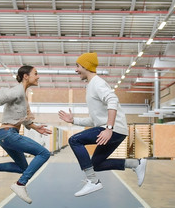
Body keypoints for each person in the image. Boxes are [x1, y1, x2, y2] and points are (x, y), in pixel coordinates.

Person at [58, 52, 147, 197]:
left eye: (78, 66)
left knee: (74, 140)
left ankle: (92, 181)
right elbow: (95, 121)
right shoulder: (91, 85)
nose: (76, 70)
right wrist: (74, 120)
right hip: (116, 130)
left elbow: (113, 101)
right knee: (97, 164)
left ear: (86, 66)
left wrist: (109, 129)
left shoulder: (97, 83)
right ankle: (136, 164)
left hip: (113, 130)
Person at [0, 65, 52, 204]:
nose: (38, 76)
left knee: (23, 168)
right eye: (36, 73)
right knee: (44, 153)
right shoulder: (16, 91)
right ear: (26, 76)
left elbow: (23, 119)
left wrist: (35, 127)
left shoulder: (23, 94)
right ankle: (20, 184)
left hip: (7, 135)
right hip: (8, 134)